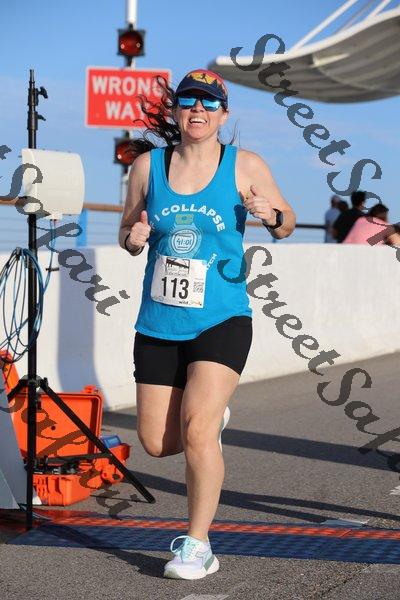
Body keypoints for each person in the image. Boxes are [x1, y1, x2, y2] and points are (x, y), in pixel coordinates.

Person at [118, 68, 296, 580]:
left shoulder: (245, 165)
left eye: (209, 103)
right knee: (158, 443)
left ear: (223, 113)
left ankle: (197, 546)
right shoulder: (148, 166)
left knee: (196, 431)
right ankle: (210, 420)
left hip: (222, 317)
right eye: (189, 101)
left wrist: (270, 214)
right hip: (159, 320)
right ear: (177, 110)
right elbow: (127, 229)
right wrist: (134, 238)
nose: (199, 110)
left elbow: (286, 221)